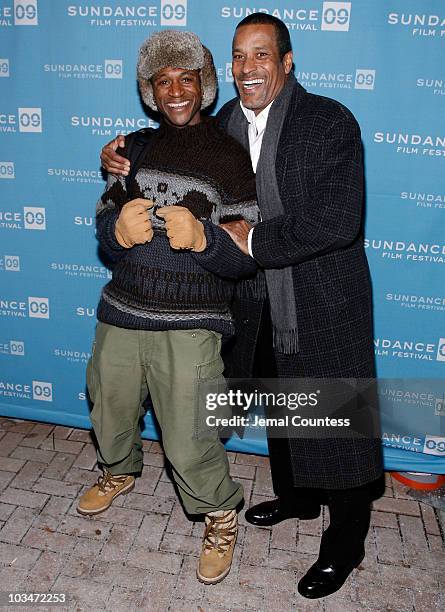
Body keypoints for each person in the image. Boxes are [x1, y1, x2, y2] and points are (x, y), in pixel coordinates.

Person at [100, 15, 383, 599]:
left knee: (337, 417)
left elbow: (337, 220)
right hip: (252, 299)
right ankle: (298, 499)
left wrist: (250, 240)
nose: (248, 67)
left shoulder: (328, 120)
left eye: (261, 55)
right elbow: (174, 147)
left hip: (321, 295)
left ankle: (347, 542)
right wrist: (119, 154)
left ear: (286, 61)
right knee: (278, 397)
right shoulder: (225, 122)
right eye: (238, 56)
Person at [78, 29, 261, 586]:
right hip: (122, 310)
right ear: (150, 90)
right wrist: (117, 231)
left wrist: (206, 239)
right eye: (163, 81)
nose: (175, 90)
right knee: (108, 406)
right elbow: (104, 223)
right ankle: (119, 470)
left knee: (188, 435)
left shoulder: (230, 159)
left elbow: (246, 257)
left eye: (186, 79)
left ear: (203, 86)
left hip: (191, 324)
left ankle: (220, 513)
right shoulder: (131, 149)